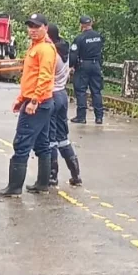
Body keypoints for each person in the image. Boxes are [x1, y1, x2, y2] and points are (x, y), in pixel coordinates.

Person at [0, 14, 56, 197]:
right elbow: (29, 77)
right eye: (30, 26)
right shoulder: (35, 47)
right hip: (38, 100)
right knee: (42, 143)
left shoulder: (45, 49)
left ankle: (14, 187)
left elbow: (44, 77)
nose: (32, 30)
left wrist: (33, 101)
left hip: (38, 103)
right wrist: (21, 98)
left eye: (36, 26)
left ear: (45, 27)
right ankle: (43, 184)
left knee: (21, 143)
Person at [47, 24, 82, 187]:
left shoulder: (52, 53)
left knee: (50, 137)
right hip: (62, 93)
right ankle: (76, 175)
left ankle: (52, 175)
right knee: (62, 137)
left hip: (52, 94)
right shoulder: (65, 51)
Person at [69, 15, 105, 124]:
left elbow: (73, 55)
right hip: (96, 65)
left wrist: (71, 66)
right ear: (91, 24)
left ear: (81, 25)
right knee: (96, 91)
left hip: (83, 66)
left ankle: (81, 117)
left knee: (81, 91)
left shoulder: (79, 38)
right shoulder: (99, 36)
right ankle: (99, 117)